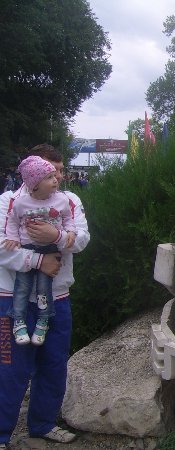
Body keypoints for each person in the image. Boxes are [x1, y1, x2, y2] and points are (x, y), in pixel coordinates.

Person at [0, 144, 90, 448]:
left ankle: (42, 424)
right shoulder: (8, 202)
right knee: (11, 368)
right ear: (33, 174)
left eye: (60, 171)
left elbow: (82, 238)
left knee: (54, 364)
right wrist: (39, 261)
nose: (59, 177)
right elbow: (1, 246)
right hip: (12, 297)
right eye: (53, 171)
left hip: (58, 295)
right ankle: (1, 434)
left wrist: (57, 237)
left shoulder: (70, 200)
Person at [4, 156, 77, 346]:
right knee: (22, 287)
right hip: (27, 249)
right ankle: (18, 321)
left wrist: (67, 233)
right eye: (50, 176)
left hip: (50, 250)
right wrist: (13, 238)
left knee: (44, 288)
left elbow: (69, 220)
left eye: (56, 174)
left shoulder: (63, 199)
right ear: (35, 184)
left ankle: (43, 320)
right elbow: (12, 221)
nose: (56, 179)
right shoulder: (18, 202)